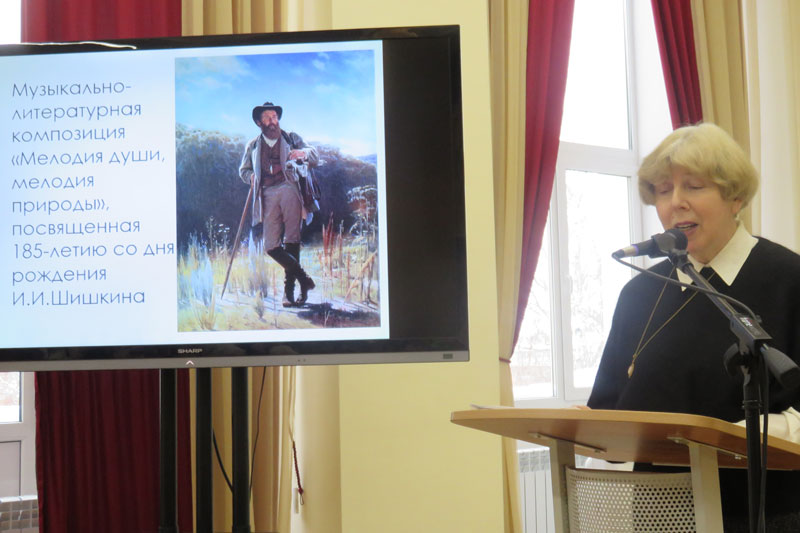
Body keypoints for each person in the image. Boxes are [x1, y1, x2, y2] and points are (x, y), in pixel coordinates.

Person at [587, 122, 800, 531]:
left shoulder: (790, 280)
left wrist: (729, 438)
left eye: (694, 186)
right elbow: (608, 411)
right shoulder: (638, 294)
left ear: (736, 196)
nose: (676, 203)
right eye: (663, 190)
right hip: (658, 515)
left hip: (764, 515)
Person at [239, 101, 319, 307]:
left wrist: (303, 153)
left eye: (274, 117)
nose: (272, 121)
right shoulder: (253, 145)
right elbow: (244, 170)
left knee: (292, 239)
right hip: (266, 194)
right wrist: (251, 177)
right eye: (267, 118)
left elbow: (314, 154)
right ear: (259, 122)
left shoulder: (291, 138)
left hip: (290, 188)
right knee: (271, 246)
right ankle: (304, 279)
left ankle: (289, 294)